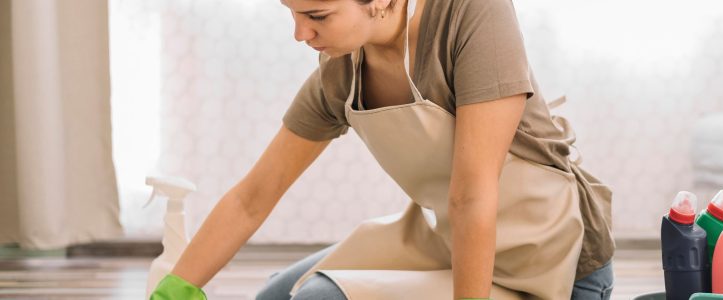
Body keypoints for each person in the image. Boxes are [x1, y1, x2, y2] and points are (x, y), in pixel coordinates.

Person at [149, 0, 615, 299]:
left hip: (556, 266)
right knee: (276, 296)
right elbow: (253, 197)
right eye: (291, 14)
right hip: (452, 241)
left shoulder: (470, 14)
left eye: (316, 16)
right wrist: (177, 285)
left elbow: (472, 194)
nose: (299, 35)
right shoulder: (340, 75)